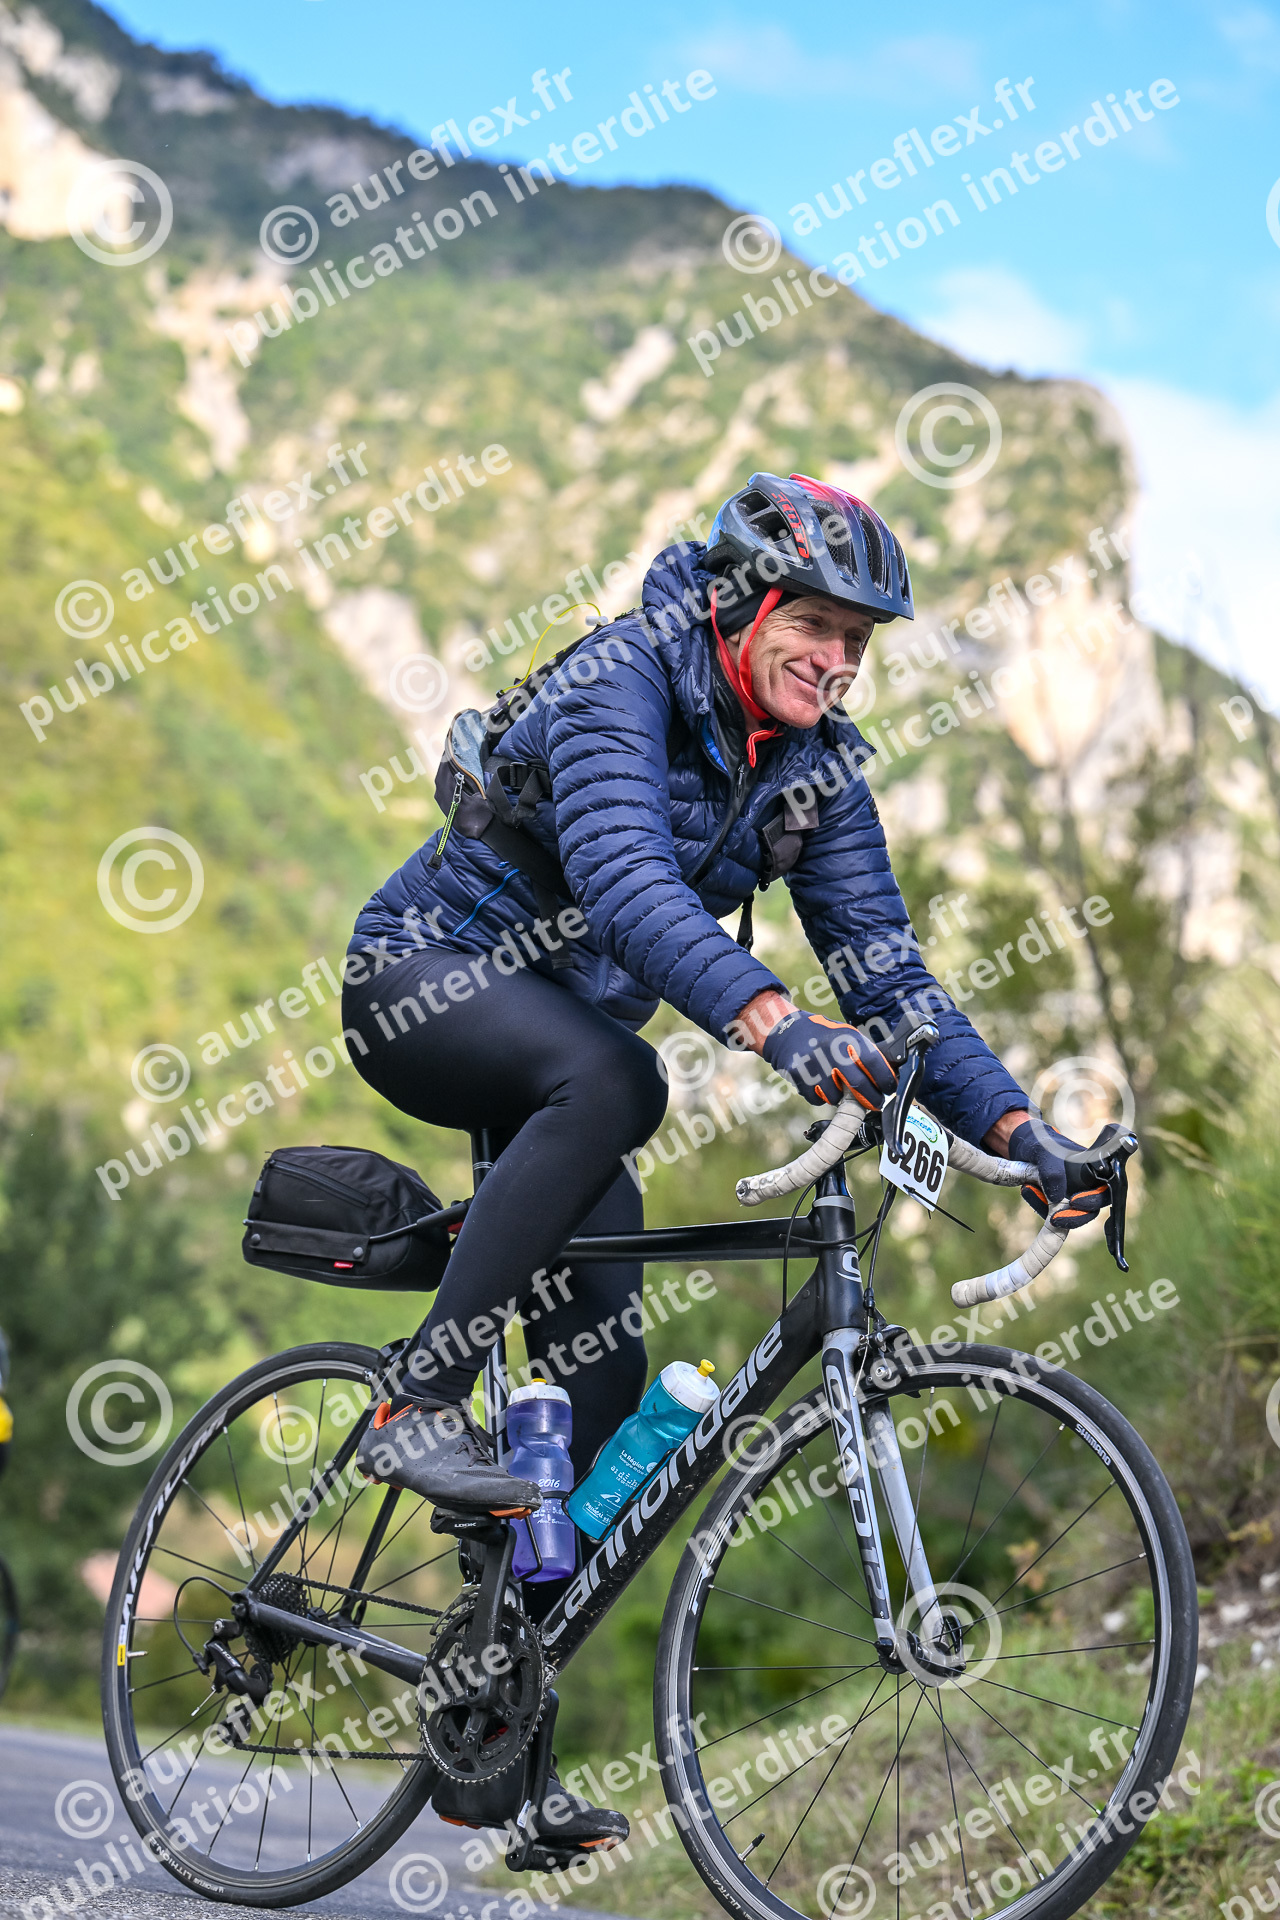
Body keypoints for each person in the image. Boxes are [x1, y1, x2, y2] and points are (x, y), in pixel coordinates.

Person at [342, 472, 1107, 1849]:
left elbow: (891, 977)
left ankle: (493, 1738)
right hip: (424, 981)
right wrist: (773, 1022)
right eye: (814, 624)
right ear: (739, 606)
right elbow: (626, 878)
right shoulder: (623, 679)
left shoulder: (814, 775)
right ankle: (416, 1401)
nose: (838, 659)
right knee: (619, 1078)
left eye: (859, 640)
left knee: (603, 1384)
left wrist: (1021, 1135)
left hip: (563, 1057)